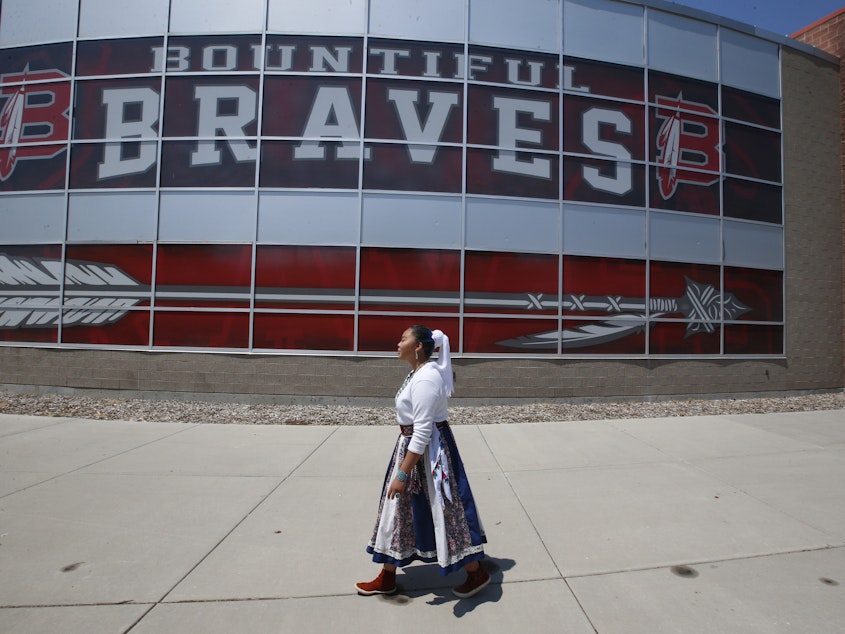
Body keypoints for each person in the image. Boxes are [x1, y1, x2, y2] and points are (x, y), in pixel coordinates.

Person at [356, 325, 489, 599]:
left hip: (429, 456)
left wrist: (403, 474)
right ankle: (388, 576)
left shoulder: (427, 379)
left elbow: (423, 431)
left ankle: (476, 572)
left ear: (418, 347)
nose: (398, 342)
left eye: (403, 338)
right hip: (412, 450)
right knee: (397, 513)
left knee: (444, 513)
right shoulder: (416, 374)